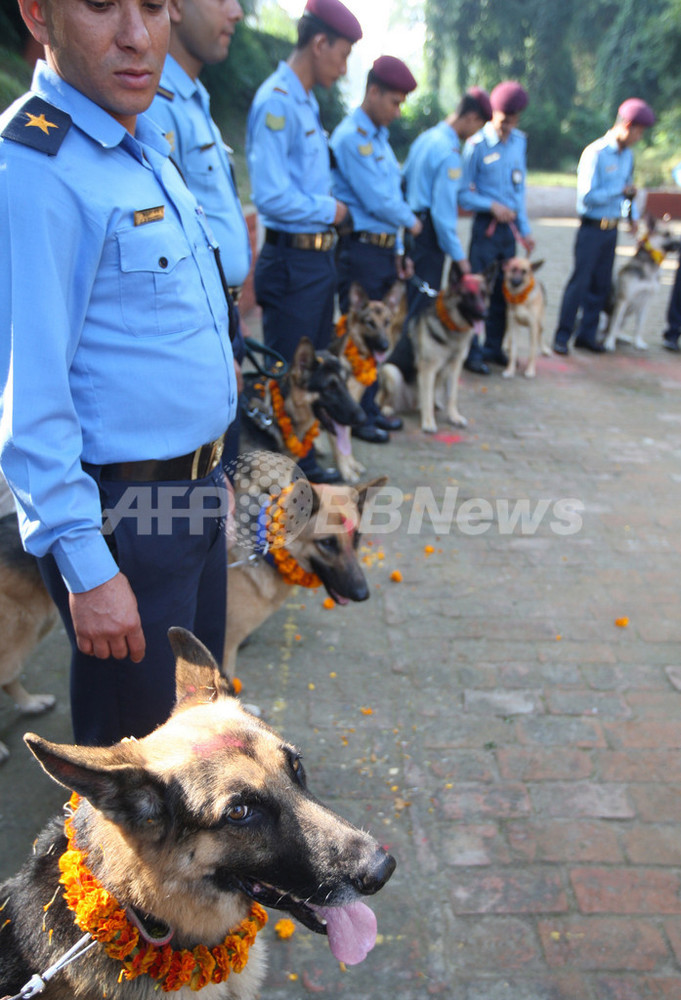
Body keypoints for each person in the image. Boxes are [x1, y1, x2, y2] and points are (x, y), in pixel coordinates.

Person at [0, 0, 238, 747]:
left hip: (189, 500)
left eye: (156, 6)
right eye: (103, 5)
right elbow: (27, 398)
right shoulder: (32, 169)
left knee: (195, 741)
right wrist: (86, 568)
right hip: (123, 525)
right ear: (39, 14)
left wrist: (210, 467)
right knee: (139, 776)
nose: (138, 36)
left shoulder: (135, 144)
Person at [246, 0, 362, 483]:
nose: (345, 64)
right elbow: (271, 195)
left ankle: (303, 455)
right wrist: (330, 211)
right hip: (292, 260)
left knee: (311, 370)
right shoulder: (276, 101)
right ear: (320, 43)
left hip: (317, 261)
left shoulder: (307, 102)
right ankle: (284, 468)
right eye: (344, 53)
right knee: (287, 372)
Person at [148, 0, 249, 470]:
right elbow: (167, 247)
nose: (236, 13)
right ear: (174, 7)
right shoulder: (154, 100)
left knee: (221, 472)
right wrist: (212, 338)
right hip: (198, 322)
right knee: (203, 481)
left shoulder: (191, 96)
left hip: (222, 312)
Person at [330, 54, 420, 444]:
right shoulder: (352, 138)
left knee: (379, 334)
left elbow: (390, 197)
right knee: (359, 337)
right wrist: (413, 221)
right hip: (360, 249)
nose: (398, 112)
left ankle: (367, 409)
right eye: (394, 102)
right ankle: (355, 415)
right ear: (373, 92)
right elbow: (379, 201)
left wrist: (400, 247)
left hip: (383, 250)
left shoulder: (379, 140)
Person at [553, 98, 655, 355]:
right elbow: (587, 196)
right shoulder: (595, 153)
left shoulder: (627, 156)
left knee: (601, 284)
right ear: (627, 125)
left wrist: (632, 217)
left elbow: (628, 193)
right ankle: (562, 335)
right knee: (580, 282)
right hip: (591, 228)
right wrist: (617, 191)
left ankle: (587, 334)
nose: (638, 138)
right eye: (638, 132)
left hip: (612, 229)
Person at [459, 81, 535, 374]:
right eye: (504, 122)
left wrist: (525, 230)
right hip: (486, 228)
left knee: (506, 290)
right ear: (493, 115)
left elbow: (520, 192)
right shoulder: (476, 145)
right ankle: (473, 351)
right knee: (480, 289)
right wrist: (490, 206)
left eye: (513, 123)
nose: (508, 129)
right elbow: (463, 192)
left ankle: (494, 347)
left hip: (509, 232)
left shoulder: (519, 142)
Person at [403, 87, 493, 302]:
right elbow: (442, 215)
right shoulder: (450, 154)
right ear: (472, 118)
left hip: (410, 230)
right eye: (478, 127)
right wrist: (461, 259)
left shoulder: (425, 138)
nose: (475, 133)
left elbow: (403, 181)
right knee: (421, 310)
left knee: (407, 305)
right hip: (428, 236)